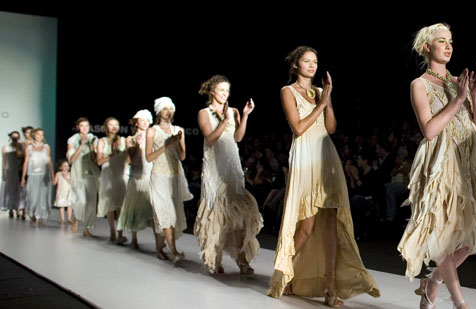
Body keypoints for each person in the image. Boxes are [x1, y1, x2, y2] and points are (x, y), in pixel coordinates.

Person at [268, 46, 380, 307]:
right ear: (295, 65)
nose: (311, 65)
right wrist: (321, 103)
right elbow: (298, 128)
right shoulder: (288, 91)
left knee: (330, 222)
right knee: (306, 227)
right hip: (305, 156)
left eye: (315, 62)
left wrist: (327, 100)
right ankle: (284, 273)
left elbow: (330, 128)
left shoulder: (320, 91)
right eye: (306, 61)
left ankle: (330, 287)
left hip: (326, 155)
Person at [397, 23, 476, 309]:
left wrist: (473, 95)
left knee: (469, 238)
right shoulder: (420, 84)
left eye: (451, 41)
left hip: (467, 162)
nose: (449, 46)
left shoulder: (457, 82)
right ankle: (459, 302)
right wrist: (459, 100)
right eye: (442, 41)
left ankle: (432, 282)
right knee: (442, 234)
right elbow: (429, 130)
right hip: (441, 164)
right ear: (428, 47)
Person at [194, 75, 263, 274]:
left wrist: (245, 115)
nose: (225, 94)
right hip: (215, 168)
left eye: (227, 90)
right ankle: (213, 257)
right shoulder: (204, 113)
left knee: (238, 214)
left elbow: (238, 137)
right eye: (221, 90)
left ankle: (242, 260)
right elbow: (211, 138)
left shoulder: (233, 111)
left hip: (232, 166)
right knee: (216, 214)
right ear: (212, 91)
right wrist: (224, 121)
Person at [145, 97, 192, 263]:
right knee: (166, 213)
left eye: (171, 108)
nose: (168, 111)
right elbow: (149, 157)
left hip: (175, 176)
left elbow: (182, 155)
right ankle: (173, 251)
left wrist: (177, 142)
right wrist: (166, 144)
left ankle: (159, 248)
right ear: (159, 111)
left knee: (173, 214)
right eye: (165, 108)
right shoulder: (152, 131)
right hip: (159, 175)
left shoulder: (179, 130)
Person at [117, 110, 161, 250]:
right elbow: (134, 160)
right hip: (137, 178)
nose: (145, 123)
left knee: (154, 211)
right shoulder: (129, 139)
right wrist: (138, 144)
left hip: (151, 176)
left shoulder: (154, 137)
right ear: (136, 122)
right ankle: (134, 239)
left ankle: (158, 243)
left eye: (147, 120)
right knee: (134, 209)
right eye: (142, 120)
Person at [96, 117, 129, 243]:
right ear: (106, 127)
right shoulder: (102, 141)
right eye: (111, 124)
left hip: (121, 173)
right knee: (110, 204)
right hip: (108, 174)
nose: (114, 127)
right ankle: (112, 231)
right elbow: (99, 161)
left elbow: (128, 160)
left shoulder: (123, 140)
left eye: (116, 124)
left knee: (120, 204)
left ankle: (120, 233)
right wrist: (112, 154)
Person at [67, 117, 100, 236]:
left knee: (91, 202)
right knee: (80, 200)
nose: (85, 128)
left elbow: (94, 158)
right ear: (77, 127)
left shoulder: (93, 138)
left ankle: (87, 229)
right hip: (78, 172)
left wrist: (92, 148)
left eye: (87, 126)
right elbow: (72, 159)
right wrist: (81, 145)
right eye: (82, 126)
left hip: (90, 172)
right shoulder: (72, 140)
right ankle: (76, 219)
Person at [21, 128, 54, 227]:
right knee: (32, 197)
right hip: (32, 175)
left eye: (42, 135)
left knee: (43, 197)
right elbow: (26, 162)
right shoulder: (29, 148)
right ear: (33, 135)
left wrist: (52, 175)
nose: (40, 136)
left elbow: (49, 161)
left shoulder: (46, 147)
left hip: (44, 175)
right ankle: (33, 214)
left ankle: (41, 217)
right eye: (38, 134)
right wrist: (23, 177)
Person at [1, 131, 24, 217]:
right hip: (9, 170)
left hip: (18, 170)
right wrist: (3, 172)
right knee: (10, 190)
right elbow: (4, 161)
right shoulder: (5, 147)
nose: (15, 139)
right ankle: (11, 208)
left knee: (18, 190)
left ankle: (18, 209)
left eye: (17, 137)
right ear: (10, 137)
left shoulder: (21, 146)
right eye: (13, 137)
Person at [53, 159, 73, 224]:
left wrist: (66, 178)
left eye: (67, 166)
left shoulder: (70, 174)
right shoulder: (58, 174)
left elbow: (72, 182)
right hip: (61, 192)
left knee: (69, 205)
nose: (66, 167)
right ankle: (62, 219)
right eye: (64, 166)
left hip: (68, 192)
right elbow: (54, 182)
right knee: (61, 206)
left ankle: (69, 218)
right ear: (60, 167)